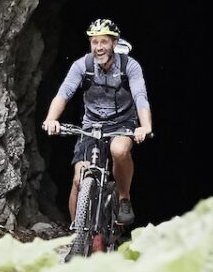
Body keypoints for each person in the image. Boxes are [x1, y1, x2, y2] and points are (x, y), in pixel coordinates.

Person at [41, 18, 151, 226]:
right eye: (94, 42)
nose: (99, 47)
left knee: (119, 151)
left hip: (122, 123)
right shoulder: (83, 65)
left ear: (114, 44)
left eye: (104, 42)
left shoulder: (130, 67)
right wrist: (51, 119)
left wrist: (145, 126)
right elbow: (64, 93)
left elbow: (140, 96)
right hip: (92, 125)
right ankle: (77, 236)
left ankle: (124, 198)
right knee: (78, 179)